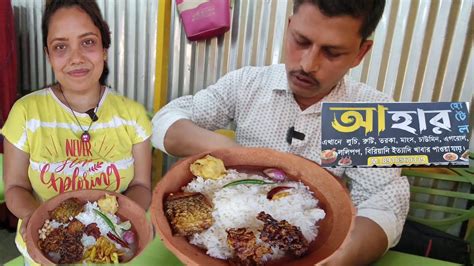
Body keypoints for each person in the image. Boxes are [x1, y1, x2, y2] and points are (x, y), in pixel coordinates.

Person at [152, 0, 409, 264]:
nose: (308, 64)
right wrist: (231, 152)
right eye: (301, 41)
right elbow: (166, 123)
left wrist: (343, 257)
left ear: (360, 53)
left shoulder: (372, 112)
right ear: (288, 28)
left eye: (332, 52)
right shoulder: (246, 84)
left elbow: (383, 204)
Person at [2, 0, 152, 263]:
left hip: (114, 248)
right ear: (48, 55)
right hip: (44, 247)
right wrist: (36, 219)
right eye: (61, 46)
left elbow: (141, 186)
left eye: (88, 42)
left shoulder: (133, 116)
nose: (76, 58)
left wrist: (116, 222)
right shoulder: (26, 113)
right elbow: (15, 187)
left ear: (104, 48)